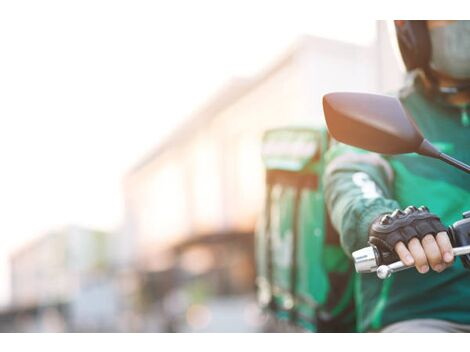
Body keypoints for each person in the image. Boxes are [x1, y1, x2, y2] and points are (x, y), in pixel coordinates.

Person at [323, 20, 470, 333]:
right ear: (411, 30)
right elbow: (350, 180)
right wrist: (381, 222)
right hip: (423, 318)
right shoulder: (384, 116)